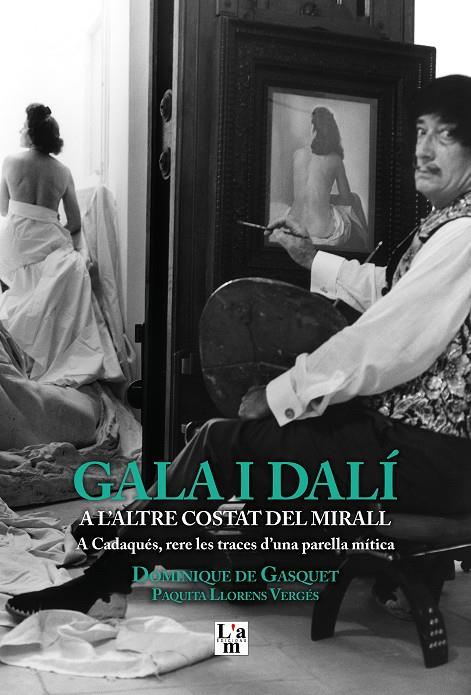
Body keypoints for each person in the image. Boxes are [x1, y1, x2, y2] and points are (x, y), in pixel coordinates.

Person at [6, 74, 471, 620]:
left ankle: (107, 577)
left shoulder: (462, 235)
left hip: (423, 458)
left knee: (222, 442)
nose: (423, 149)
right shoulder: (450, 226)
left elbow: (385, 340)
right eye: (421, 132)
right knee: (246, 484)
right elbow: (391, 291)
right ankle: (137, 538)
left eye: (445, 136)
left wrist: (279, 395)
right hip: (419, 449)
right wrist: (310, 258)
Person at [0, 103, 123, 387]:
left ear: (30, 132)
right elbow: (75, 222)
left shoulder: (10, 162)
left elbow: (3, 208)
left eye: (22, 126)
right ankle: (49, 355)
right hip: (49, 237)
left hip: (16, 242)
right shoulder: (63, 171)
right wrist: (51, 225)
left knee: (21, 288)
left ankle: (19, 355)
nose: (19, 130)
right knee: (63, 269)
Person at [273, 106, 368, 250]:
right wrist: (325, 197)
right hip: (321, 232)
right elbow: (346, 199)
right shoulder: (335, 159)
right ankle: (368, 242)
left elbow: (298, 194)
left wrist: (320, 196)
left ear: (313, 127)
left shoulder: (297, 154)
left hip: (293, 226)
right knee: (355, 198)